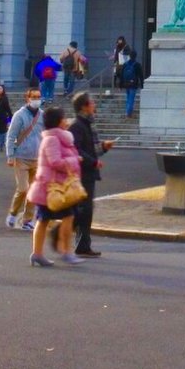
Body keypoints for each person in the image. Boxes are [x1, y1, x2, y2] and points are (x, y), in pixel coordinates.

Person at [26, 105, 84, 267]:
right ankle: (61, 251)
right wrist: (75, 161)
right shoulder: (52, 139)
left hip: (57, 186)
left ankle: (42, 253)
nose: (66, 121)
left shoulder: (60, 138)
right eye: (64, 118)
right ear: (59, 121)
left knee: (51, 218)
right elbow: (55, 162)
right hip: (51, 187)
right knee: (50, 218)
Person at [69, 91, 114, 257]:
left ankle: (82, 244)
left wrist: (103, 147)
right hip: (81, 173)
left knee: (85, 210)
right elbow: (77, 150)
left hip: (89, 172)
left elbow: (90, 148)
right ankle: (66, 234)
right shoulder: (77, 125)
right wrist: (93, 161)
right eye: (92, 103)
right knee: (84, 210)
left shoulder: (87, 124)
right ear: (84, 107)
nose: (94, 105)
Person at [5, 87, 45, 230]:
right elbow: (11, 136)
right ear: (27, 99)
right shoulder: (19, 115)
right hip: (21, 157)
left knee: (33, 190)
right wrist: (10, 155)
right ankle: (13, 212)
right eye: (33, 97)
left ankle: (27, 220)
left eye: (38, 97)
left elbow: (46, 134)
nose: (36, 100)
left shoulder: (42, 115)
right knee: (23, 189)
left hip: (37, 158)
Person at [119, 50, 144, 117]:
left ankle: (127, 111)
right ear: (135, 56)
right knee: (131, 99)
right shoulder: (137, 65)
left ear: (129, 56)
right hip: (133, 84)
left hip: (126, 84)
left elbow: (121, 75)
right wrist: (142, 85)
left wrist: (120, 85)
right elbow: (141, 75)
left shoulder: (125, 64)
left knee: (128, 98)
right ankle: (128, 113)